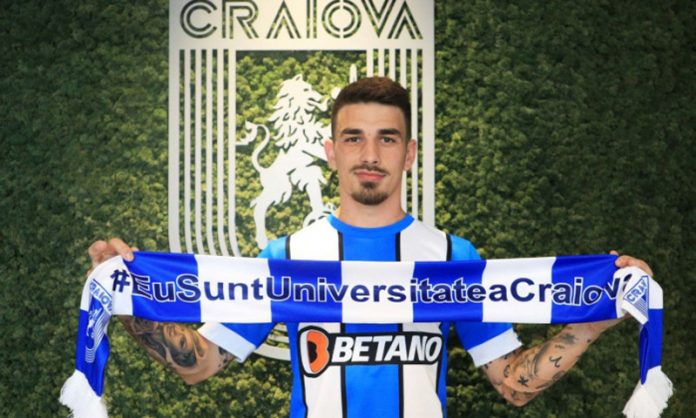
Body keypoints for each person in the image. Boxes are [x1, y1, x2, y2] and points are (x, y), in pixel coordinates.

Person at [88, 77, 653, 417]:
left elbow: (513, 384)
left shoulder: (453, 259)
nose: (370, 155)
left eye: (387, 139)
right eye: (354, 138)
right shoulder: (286, 259)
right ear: (331, 151)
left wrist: (591, 324)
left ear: (409, 153)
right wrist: (131, 301)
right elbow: (200, 363)